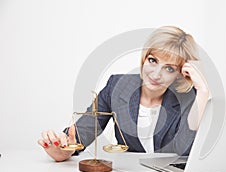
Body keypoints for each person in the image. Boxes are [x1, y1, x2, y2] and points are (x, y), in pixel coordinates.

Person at [37, 26, 210, 162]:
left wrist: (202, 92)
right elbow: (82, 132)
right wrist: (63, 148)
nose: (156, 74)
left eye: (169, 68)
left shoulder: (187, 97)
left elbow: (185, 151)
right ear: (144, 57)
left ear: (180, 73)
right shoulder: (117, 86)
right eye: (153, 60)